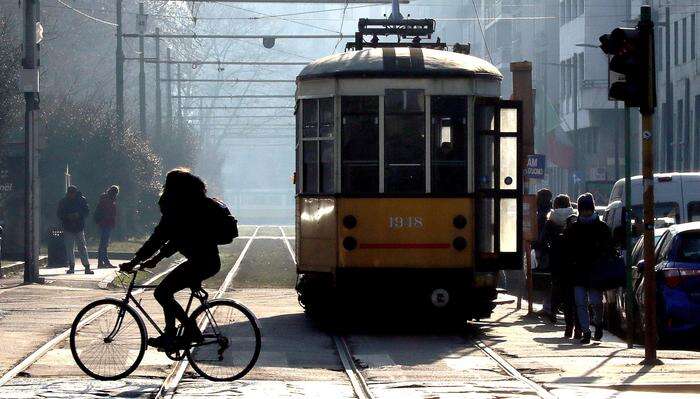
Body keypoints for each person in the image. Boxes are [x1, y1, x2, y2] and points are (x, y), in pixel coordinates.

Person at [120, 169, 222, 350]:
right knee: (165, 291)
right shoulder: (191, 206)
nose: (164, 187)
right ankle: (171, 336)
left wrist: (136, 262)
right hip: (206, 261)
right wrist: (155, 259)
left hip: (201, 263)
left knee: (162, 293)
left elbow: (159, 238)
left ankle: (187, 332)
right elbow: (175, 240)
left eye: (166, 184)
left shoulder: (178, 208)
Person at [564, 193, 613, 344]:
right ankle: (586, 332)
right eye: (583, 209)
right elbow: (567, 249)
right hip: (579, 271)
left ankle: (598, 324)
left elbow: (609, 248)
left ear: (592, 209)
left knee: (596, 302)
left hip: (595, 271)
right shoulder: (573, 227)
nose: (585, 212)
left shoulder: (601, 227)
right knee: (580, 302)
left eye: (588, 209)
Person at [542, 194, 580, 338]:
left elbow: (542, 239)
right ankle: (575, 327)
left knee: (557, 286)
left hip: (556, 260)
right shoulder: (574, 218)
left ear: (555, 205)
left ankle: (554, 310)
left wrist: (548, 248)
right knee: (573, 295)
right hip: (572, 261)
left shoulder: (550, 219)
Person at [58, 186, 93, 274]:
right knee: (70, 248)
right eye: (70, 194)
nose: (71, 195)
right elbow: (59, 214)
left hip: (77, 227)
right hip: (69, 227)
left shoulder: (80, 200)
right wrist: (67, 216)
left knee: (81, 247)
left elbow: (87, 211)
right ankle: (72, 266)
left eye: (72, 194)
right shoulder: (64, 201)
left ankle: (86, 266)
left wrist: (78, 215)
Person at [533, 188, 554, 320]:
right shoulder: (552, 211)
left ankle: (548, 307)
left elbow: (540, 233)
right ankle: (550, 306)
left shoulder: (540, 213)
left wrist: (536, 244)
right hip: (552, 250)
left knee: (546, 279)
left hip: (543, 250)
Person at [94, 185, 119, 269]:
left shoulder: (105, 199)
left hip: (103, 224)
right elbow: (110, 214)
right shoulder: (108, 200)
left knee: (103, 244)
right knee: (104, 244)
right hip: (106, 224)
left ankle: (101, 262)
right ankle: (104, 262)